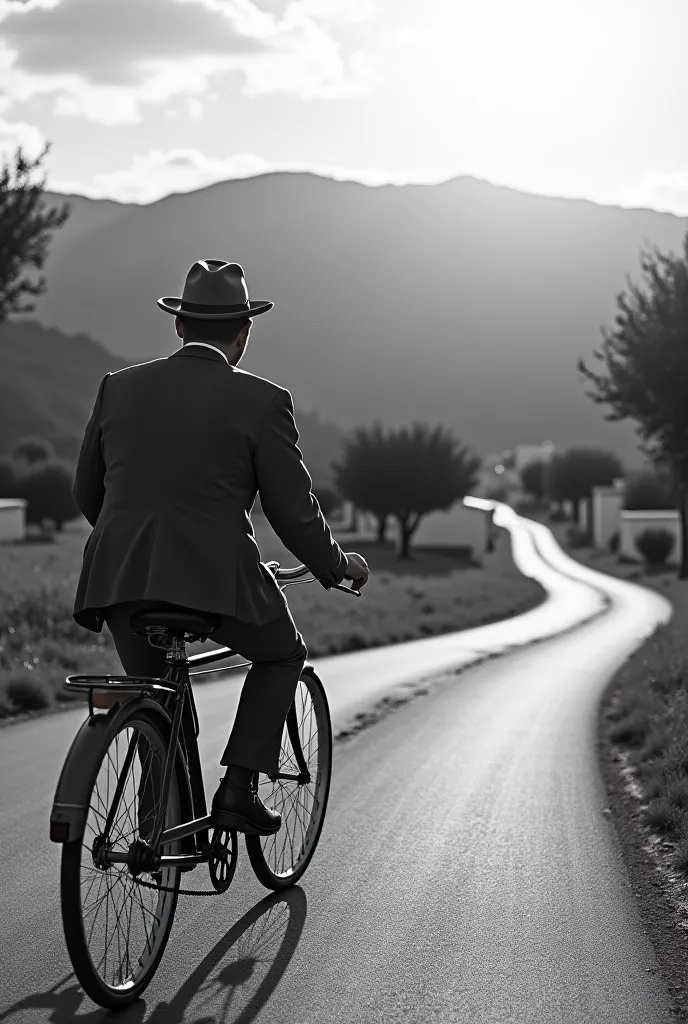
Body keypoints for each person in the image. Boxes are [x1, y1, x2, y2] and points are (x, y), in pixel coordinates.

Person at [71, 258, 370, 837]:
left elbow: (89, 492)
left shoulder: (118, 388)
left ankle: (154, 834)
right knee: (283, 654)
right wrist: (336, 567)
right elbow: (293, 513)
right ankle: (238, 790)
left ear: (180, 326)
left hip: (120, 575)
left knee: (156, 698)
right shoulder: (262, 400)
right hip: (218, 576)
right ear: (244, 331)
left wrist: (132, 543)